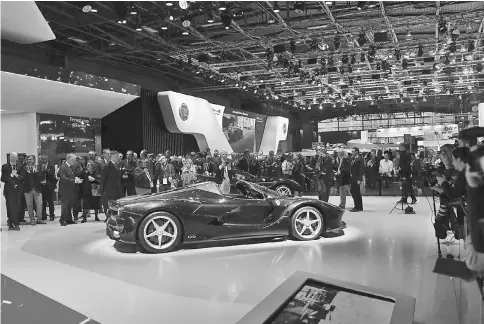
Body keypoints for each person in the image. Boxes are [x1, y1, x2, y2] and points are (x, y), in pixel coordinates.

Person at [20, 155, 45, 225]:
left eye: (30, 159)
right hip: (27, 189)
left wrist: (37, 172)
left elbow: (42, 178)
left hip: (37, 189)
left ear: (34, 160)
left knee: (40, 204)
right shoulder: (24, 168)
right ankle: (32, 219)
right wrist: (27, 172)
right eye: (28, 159)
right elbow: (22, 178)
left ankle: (39, 219)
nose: (29, 161)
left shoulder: (39, 167)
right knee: (29, 205)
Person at [1, 152, 24, 230]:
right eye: (11, 157)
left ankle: (10, 221)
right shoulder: (5, 166)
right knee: (11, 206)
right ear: (9, 158)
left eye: (14, 157)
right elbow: (3, 179)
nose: (13, 158)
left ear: (17, 158)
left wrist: (16, 175)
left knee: (17, 206)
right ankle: (15, 223)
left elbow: (23, 177)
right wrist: (11, 175)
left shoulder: (20, 166)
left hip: (18, 189)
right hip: (9, 190)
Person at [58, 154, 81, 226]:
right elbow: (63, 178)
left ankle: (68, 219)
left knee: (69, 205)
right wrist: (74, 180)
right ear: (69, 160)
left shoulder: (69, 167)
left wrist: (76, 179)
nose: (74, 162)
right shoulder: (63, 167)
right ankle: (62, 220)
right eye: (74, 160)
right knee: (65, 205)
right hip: (65, 190)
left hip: (70, 190)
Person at [100, 150, 123, 221]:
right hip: (108, 191)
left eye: (118, 157)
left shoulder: (118, 165)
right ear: (112, 157)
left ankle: (115, 219)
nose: (118, 158)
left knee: (116, 208)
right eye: (116, 157)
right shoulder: (106, 166)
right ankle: (109, 219)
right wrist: (102, 191)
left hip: (118, 191)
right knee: (108, 207)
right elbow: (102, 180)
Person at [39, 155, 56, 221]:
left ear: (47, 159)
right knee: (43, 202)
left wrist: (45, 170)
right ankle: (44, 215)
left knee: (50, 202)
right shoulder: (39, 166)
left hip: (49, 186)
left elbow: (51, 175)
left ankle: (52, 215)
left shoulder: (51, 166)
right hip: (41, 186)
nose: (42, 160)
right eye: (41, 159)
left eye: (44, 159)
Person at [349, 147, 364, 212]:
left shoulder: (360, 159)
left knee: (355, 191)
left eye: (353, 151)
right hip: (353, 178)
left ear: (357, 152)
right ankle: (359, 206)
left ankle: (357, 206)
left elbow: (361, 169)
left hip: (357, 178)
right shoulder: (353, 159)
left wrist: (359, 179)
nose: (352, 152)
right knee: (355, 192)